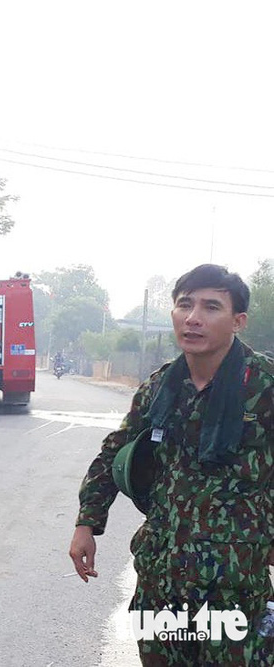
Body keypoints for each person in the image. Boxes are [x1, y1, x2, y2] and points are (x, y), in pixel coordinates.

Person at [69, 264, 274, 666]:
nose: (194, 317)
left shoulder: (263, 386)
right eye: (185, 305)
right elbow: (115, 450)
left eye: (211, 307)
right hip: (160, 579)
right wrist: (86, 523)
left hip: (232, 586)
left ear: (238, 321)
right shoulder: (161, 386)